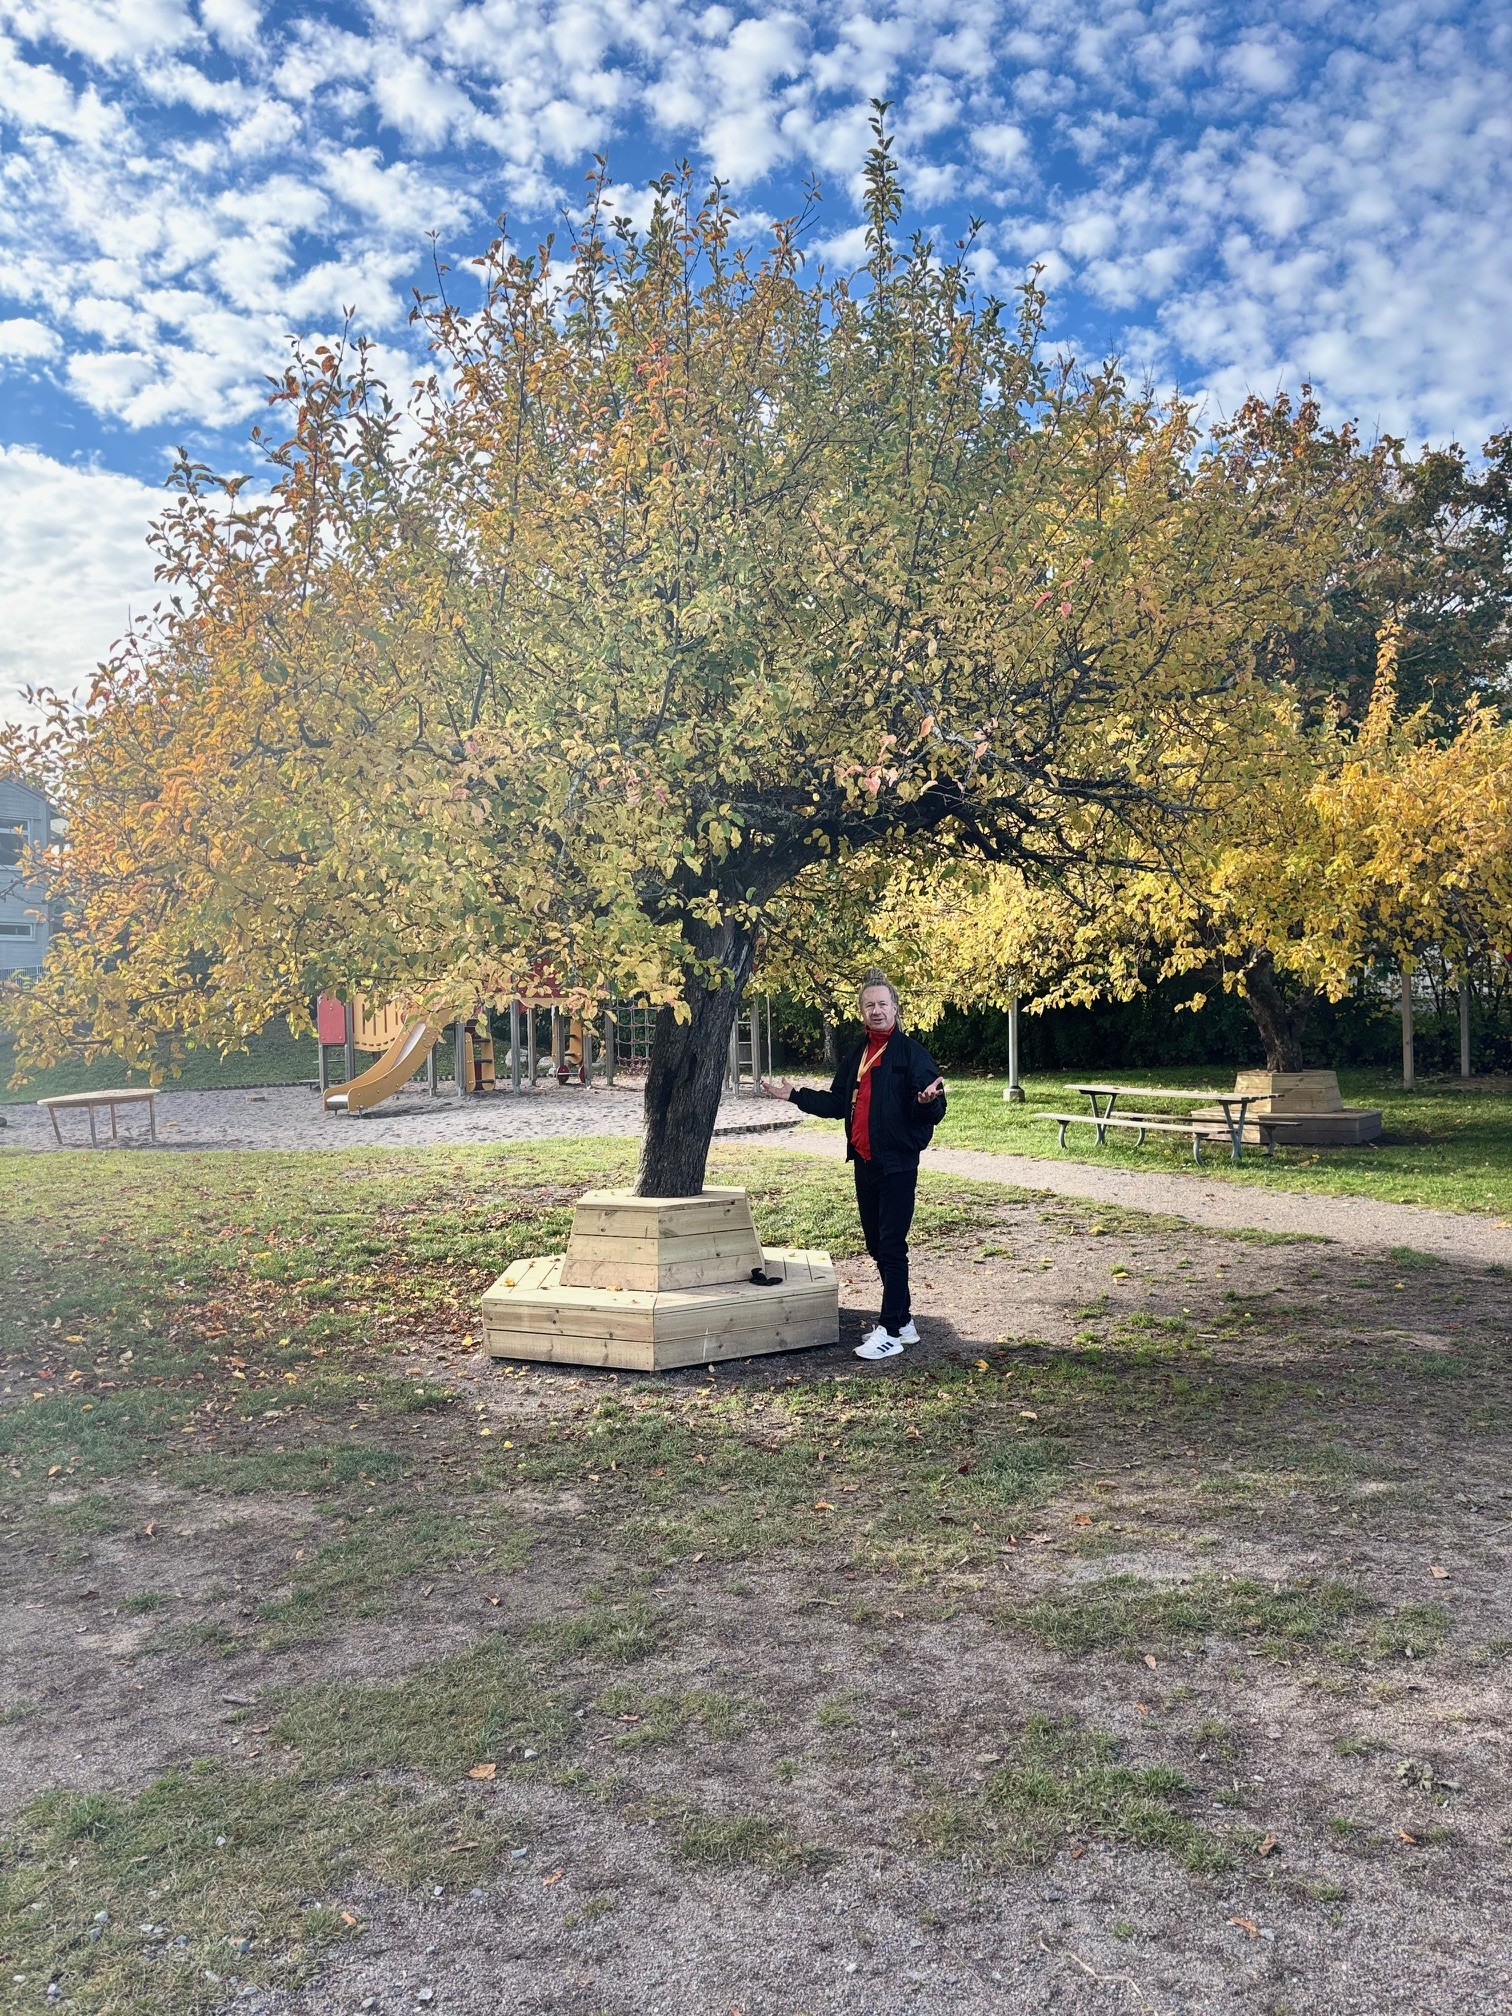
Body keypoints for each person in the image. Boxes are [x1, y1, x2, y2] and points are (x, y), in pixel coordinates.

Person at [763, 972, 946, 1360]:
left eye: (883, 1004)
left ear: (895, 1008)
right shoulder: (857, 1053)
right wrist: (794, 1095)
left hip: (897, 1163)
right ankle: (905, 1320)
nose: (876, 1011)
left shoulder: (913, 1054)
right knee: (877, 1244)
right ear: (861, 1011)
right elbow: (835, 1103)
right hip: (864, 1162)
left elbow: (930, 1106)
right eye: (869, 1005)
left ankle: (891, 1331)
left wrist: (928, 1102)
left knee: (892, 1246)